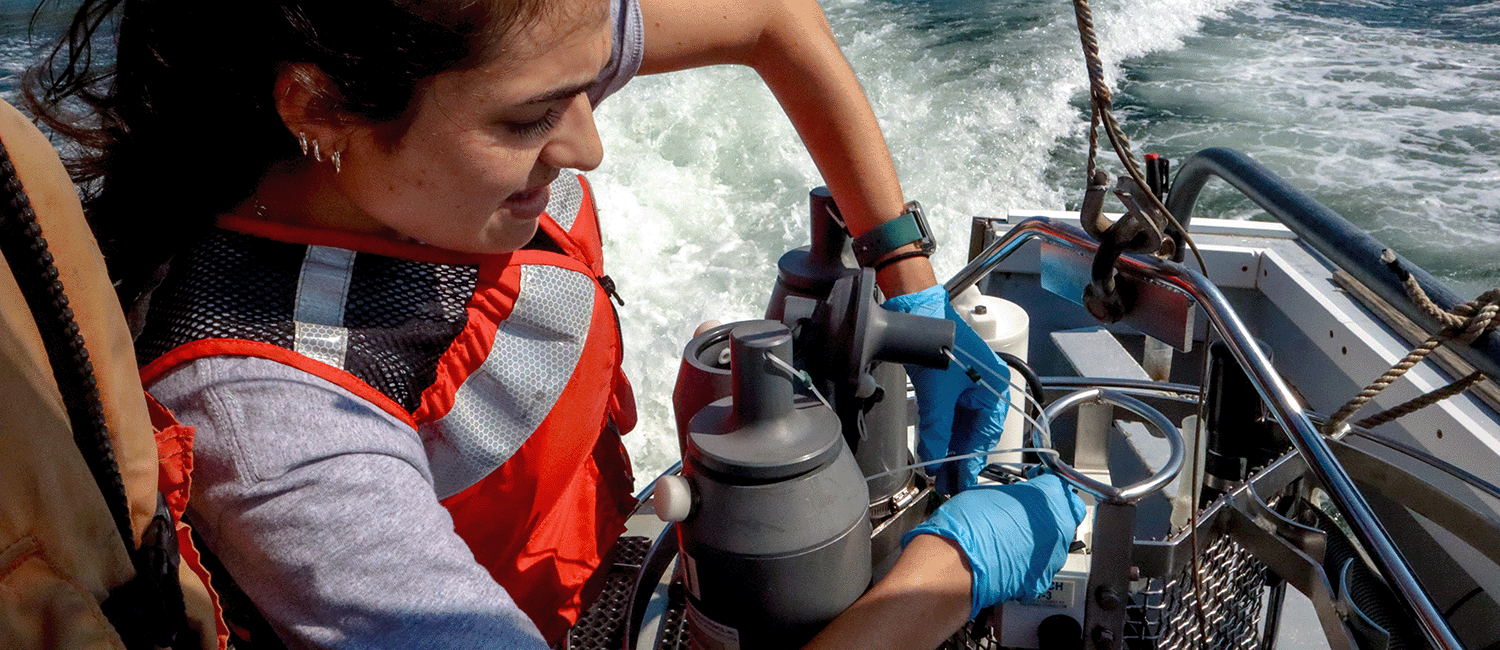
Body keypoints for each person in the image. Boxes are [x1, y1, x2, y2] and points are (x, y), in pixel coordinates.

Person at [25, 0, 1084, 648]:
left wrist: (908, 279)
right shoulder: (277, 423)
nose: (588, 145)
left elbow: (772, 16)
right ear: (316, 109)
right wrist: (948, 573)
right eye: (530, 118)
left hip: (600, 571)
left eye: (595, 85)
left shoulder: (507, 31)